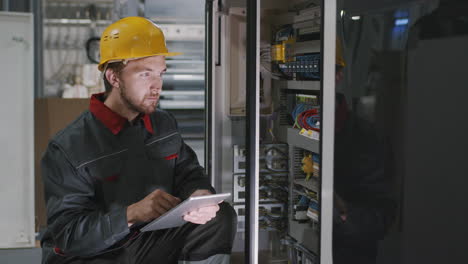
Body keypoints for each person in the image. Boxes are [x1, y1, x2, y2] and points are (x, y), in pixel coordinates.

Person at [40, 16, 237, 264]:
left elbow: (188, 172)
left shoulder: (163, 124)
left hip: (142, 241)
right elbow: (69, 235)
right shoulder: (67, 148)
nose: (157, 86)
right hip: (92, 255)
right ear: (113, 78)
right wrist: (131, 214)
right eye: (145, 74)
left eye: (160, 73)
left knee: (220, 217)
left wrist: (199, 194)